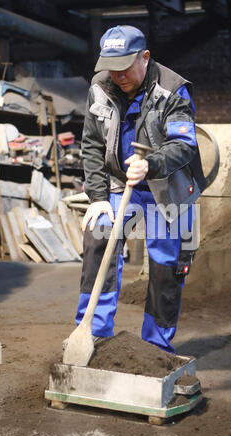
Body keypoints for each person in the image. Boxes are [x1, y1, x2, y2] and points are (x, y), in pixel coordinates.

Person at [67, 25, 206, 354]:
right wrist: (98, 199)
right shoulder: (99, 88)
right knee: (98, 238)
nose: (117, 76)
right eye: (110, 68)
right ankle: (93, 334)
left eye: (124, 67)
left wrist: (152, 164)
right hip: (118, 184)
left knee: (165, 263)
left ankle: (156, 347)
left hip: (164, 186)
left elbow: (185, 145)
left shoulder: (173, 90)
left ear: (144, 57)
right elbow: (90, 145)